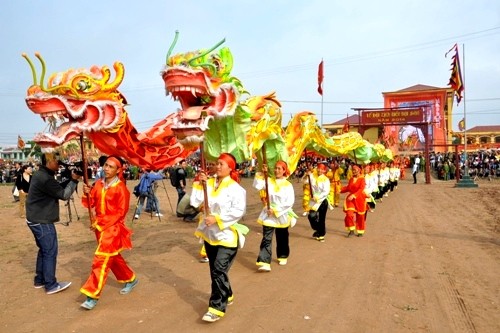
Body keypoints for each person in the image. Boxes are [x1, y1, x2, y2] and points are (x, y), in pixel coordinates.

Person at [190, 153, 247, 322]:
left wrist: (217, 218)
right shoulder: (208, 183)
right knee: (215, 271)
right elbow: (195, 202)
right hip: (210, 235)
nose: (218, 166)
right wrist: (199, 184)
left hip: (227, 235)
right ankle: (226, 292)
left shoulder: (236, 189)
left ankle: (216, 307)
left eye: (222, 164)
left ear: (231, 168)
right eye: (217, 163)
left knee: (218, 270)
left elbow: (238, 211)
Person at [79, 156, 138, 310]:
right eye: (105, 165)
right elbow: (91, 203)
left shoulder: (121, 189)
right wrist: (87, 193)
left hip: (113, 229)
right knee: (113, 257)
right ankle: (130, 278)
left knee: (100, 260)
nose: (106, 168)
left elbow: (120, 213)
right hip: (99, 229)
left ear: (118, 170)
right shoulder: (98, 184)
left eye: (111, 167)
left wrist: (100, 223)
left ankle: (92, 294)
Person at [26, 152, 81, 294]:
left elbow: (55, 188)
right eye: (57, 162)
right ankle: (51, 285)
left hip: (34, 218)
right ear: (49, 162)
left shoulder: (41, 175)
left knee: (44, 250)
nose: (59, 164)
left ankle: (40, 280)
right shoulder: (45, 178)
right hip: (42, 221)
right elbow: (63, 194)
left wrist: (69, 178)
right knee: (50, 251)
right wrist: (74, 181)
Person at [253, 161, 297, 272]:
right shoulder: (268, 181)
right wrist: (261, 173)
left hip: (281, 213)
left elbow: (290, 202)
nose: (276, 170)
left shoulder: (288, 185)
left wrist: (276, 210)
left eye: (279, 168)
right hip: (268, 213)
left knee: (282, 236)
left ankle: (282, 255)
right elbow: (257, 186)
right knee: (267, 238)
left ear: (284, 170)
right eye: (275, 168)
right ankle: (264, 262)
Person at [340, 165, 368, 237]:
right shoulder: (351, 179)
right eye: (353, 170)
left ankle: (360, 230)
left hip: (360, 199)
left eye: (355, 170)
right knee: (349, 214)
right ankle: (351, 230)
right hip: (351, 199)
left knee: (360, 216)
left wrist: (354, 195)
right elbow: (348, 188)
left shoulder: (362, 179)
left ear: (359, 170)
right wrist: (340, 190)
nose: (353, 171)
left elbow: (361, 189)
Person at [306, 163, 330, 242]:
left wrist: (318, 197)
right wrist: (307, 175)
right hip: (313, 201)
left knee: (321, 219)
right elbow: (305, 182)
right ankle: (319, 229)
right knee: (311, 216)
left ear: (324, 170)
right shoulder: (313, 176)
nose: (319, 170)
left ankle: (321, 234)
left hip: (322, 201)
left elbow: (326, 192)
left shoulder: (326, 180)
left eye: (322, 169)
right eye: (318, 168)